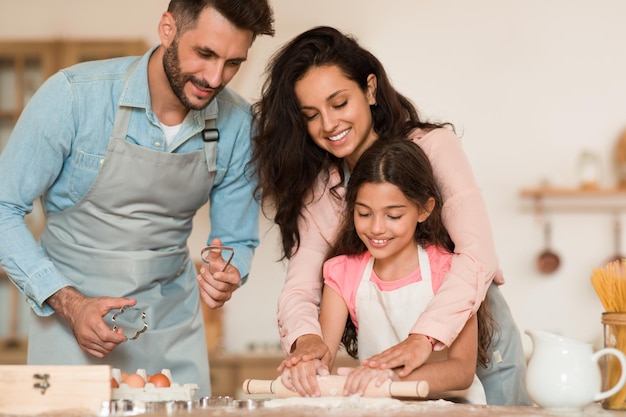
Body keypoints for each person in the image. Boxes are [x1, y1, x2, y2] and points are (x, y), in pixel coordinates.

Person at [0, 0, 274, 397]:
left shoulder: (238, 126)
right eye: (205, 53)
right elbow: (3, 206)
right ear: (167, 29)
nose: (215, 78)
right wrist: (71, 304)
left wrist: (228, 271)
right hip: (68, 323)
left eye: (233, 62)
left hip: (171, 329)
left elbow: (237, 239)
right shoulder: (74, 98)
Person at [251, 26, 532, 405]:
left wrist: (423, 338)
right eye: (311, 115)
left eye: (339, 103)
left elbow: (478, 254)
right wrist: (309, 342)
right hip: (393, 375)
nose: (329, 125)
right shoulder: (319, 188)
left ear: (369, 90)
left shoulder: (432, 148)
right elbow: (301, 287)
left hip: (477, 344)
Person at [308, 138, 494, 403]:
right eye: (364, 213)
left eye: (393, 216)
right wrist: (307, 366)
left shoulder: (450, 272)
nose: (376, 228)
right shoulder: (342, 273)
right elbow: (322, 355)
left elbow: (462, 370)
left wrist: (390, 378)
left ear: (424, 210)